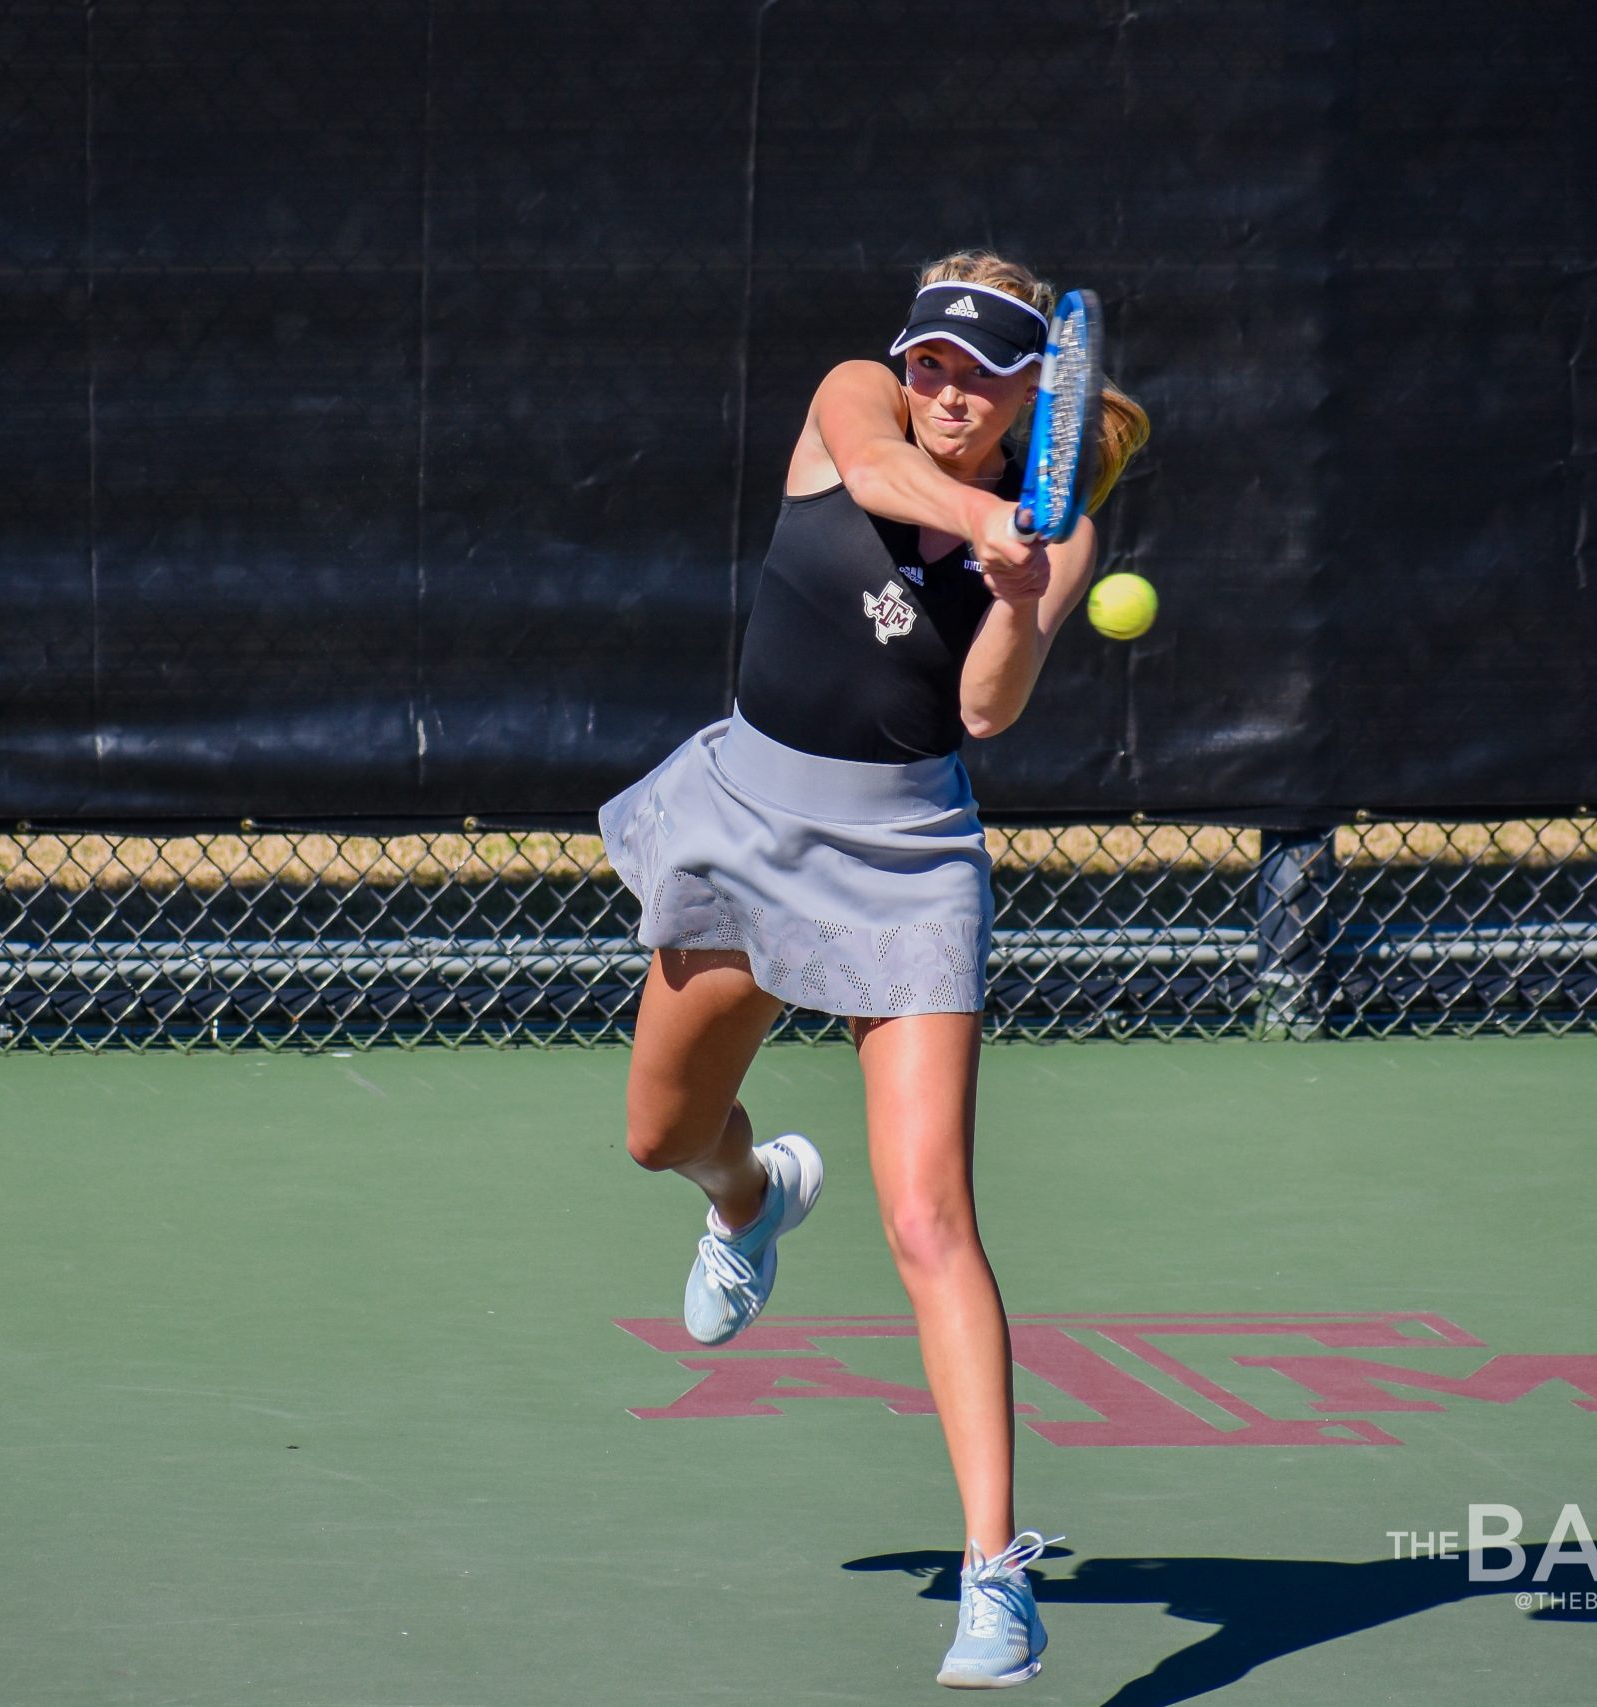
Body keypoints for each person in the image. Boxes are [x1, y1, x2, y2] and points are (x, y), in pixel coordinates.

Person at [599, 250, 1150, 1689]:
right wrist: (979, 517)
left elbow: (980, 707)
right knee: (660, 1135)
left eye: (978, 372)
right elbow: (876, 466)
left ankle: (996, 1576)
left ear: (1040, 387)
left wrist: (1024, 588)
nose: (944, 389)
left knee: (930, 1222)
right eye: (931, 362)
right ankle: (755, 1193)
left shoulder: (1062, 524)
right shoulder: (854, 400)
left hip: (905, 864)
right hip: (744, 821)